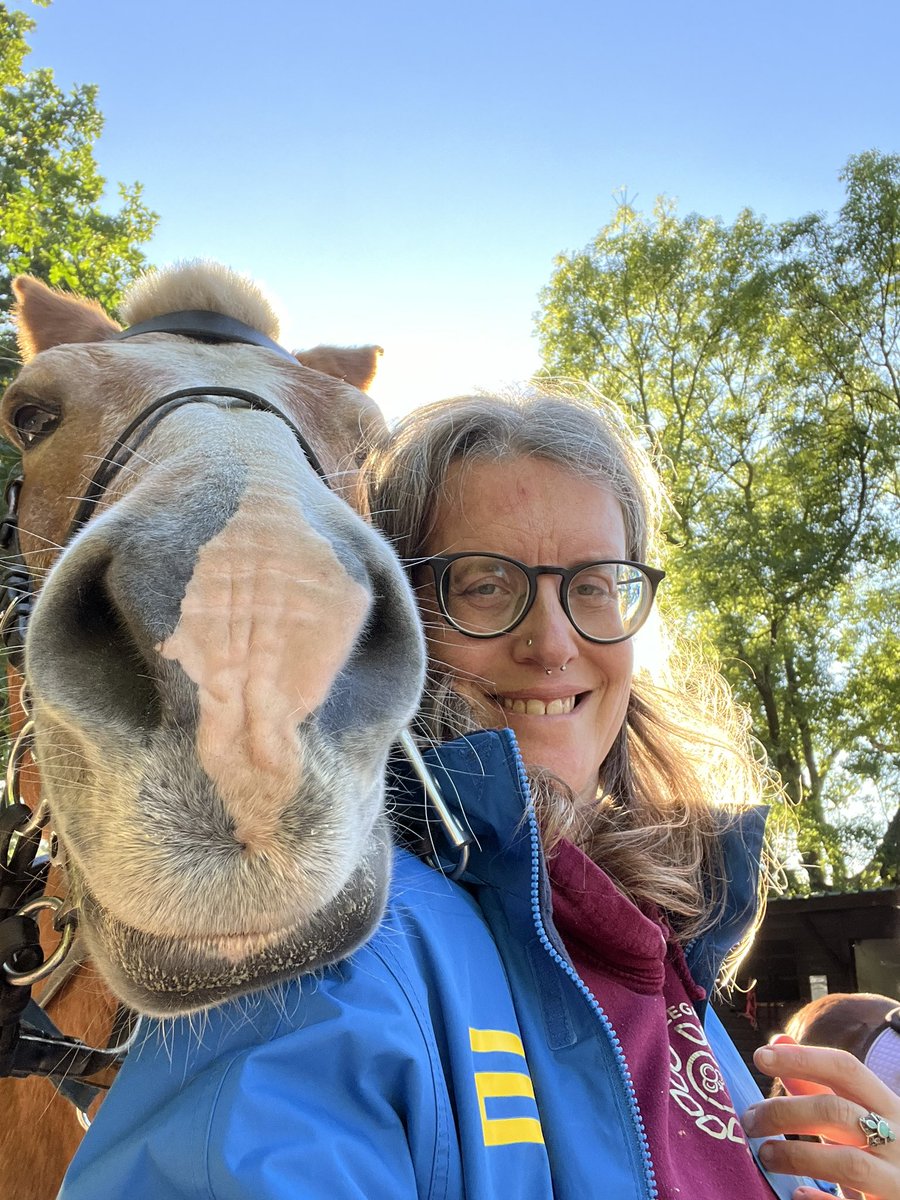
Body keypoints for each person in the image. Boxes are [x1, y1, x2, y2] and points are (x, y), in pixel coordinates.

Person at [58, 389, 899, 1200]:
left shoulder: (651, 942)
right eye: (486, 585)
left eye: (598, 583)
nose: (554, 642)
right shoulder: (319, 953)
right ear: (388, 618)